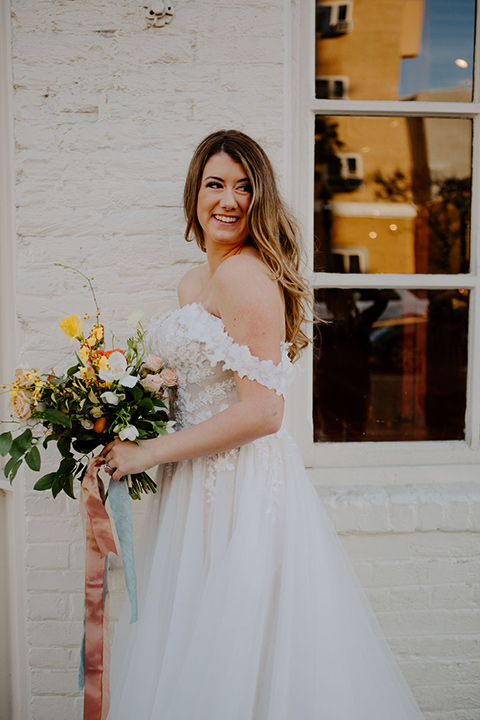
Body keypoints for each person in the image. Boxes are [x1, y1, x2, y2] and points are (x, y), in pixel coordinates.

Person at [103, 130, 425, 719]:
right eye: (215, 184)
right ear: (194, 194)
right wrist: (118, 406)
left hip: (238, 490)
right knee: (197, 649)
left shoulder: (246, 276)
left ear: (262, 198)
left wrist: (149, 451)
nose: (229, 200)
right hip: (192, 490)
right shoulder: (194, 282)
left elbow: (264, 411)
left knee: (239, 652)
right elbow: (198, 386)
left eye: (245, 187)